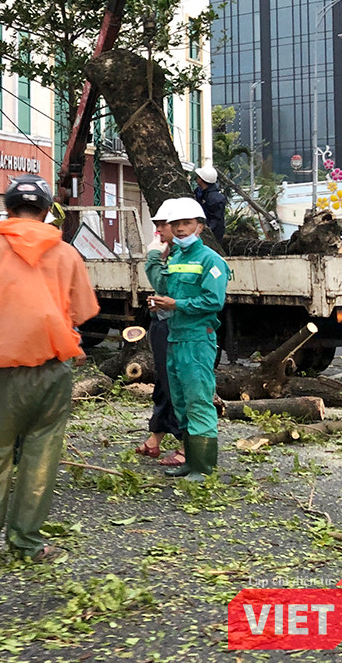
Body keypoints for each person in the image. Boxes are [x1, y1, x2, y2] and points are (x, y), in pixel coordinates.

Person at [0, 174, 100, 562]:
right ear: (46, 212)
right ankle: (27, 543)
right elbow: (84, 311)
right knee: (41, 456)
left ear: (8, 209)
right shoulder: (66, 254)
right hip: (53, 370)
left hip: (0, 371)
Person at [147, 197, 229, 482]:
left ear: (200, 227)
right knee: (180, 401)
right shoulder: (176, 258)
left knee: (198, 401)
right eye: (176, 224)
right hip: (176, 338)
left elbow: (213, 300)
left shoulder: (211, 260)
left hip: (197, 340)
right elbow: (168, 290)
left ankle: (203, 468)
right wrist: (160, 304)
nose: (180, 229)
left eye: (186, 224)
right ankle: (191, 461)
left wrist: (176, 305)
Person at [136, 201, 186, 468]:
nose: (158, 230)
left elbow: (165, 284)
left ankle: (185, 443)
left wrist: (153, 259)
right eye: (156, 225)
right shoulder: (172, 253)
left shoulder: (181, 255)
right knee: (163, 382)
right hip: (164, 323)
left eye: (162, 225)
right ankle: (156, 435)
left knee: (175, 384)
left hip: (179, 329)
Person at [193, 165, 227, 241]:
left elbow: (215, 219)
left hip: (214, 235)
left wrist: (207, 231)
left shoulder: (215, 198)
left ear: (201, 179)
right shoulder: (199, 192)